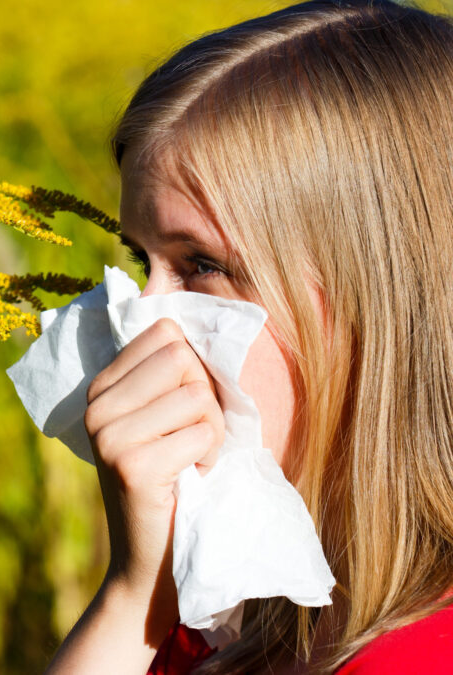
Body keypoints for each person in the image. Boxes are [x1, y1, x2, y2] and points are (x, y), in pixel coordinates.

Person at [45, 1, 453, 673]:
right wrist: (135, 593)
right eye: (142, 262)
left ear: (374, 300)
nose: (141, 320)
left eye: (200, 264)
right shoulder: (223, 626)